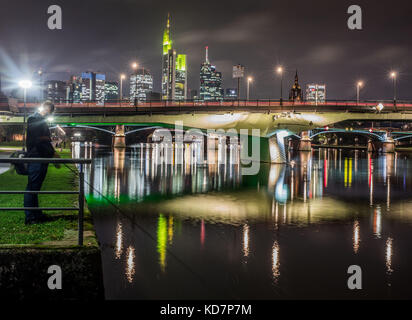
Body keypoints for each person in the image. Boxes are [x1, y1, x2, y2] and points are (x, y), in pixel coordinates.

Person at [24, 100, 60, 225]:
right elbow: (38, 139)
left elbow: (44, 139)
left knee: (36, 187)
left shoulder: (41, 120)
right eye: (48, 111)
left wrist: (51, 150)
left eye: (49, 112)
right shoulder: (33, 119)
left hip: (42, 158)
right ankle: (30, 217)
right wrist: (51, 149)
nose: (47, 114)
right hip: (36, 157)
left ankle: (36, 214)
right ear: (44, 108)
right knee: (31, 188)